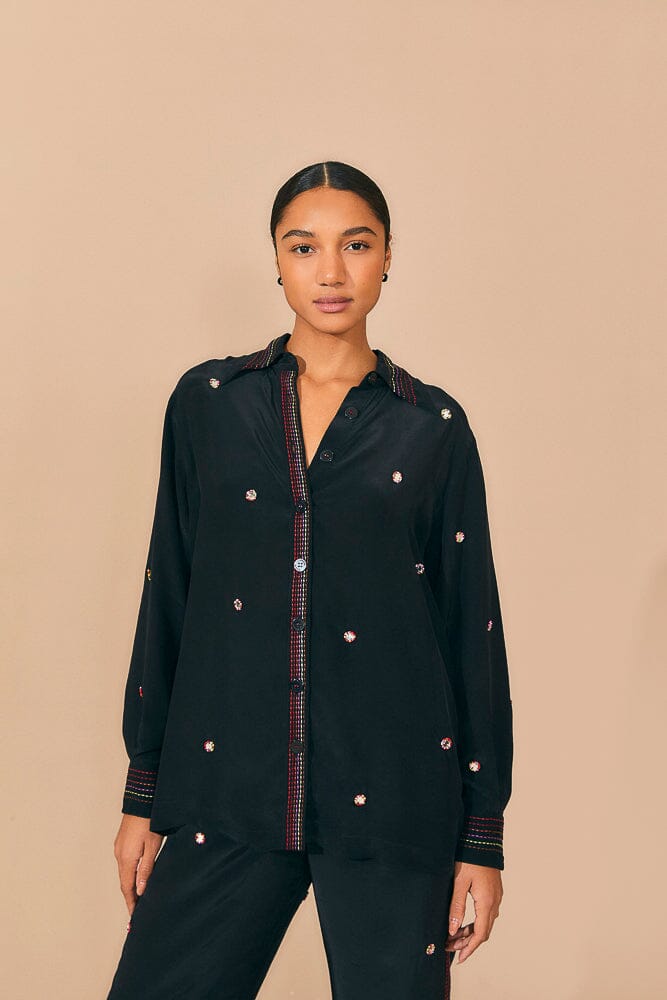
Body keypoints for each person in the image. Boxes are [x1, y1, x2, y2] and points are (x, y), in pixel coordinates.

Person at [106, 160, 514, 1000]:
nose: (330, 272)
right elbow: (169, 592)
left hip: (393, 795)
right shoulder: (209, 404)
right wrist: (143, 791)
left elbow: (469, 630)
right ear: (276, 260)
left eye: (354, 245)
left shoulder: (430, 427)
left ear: (387, 256)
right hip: (227, 787)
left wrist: (480, 837)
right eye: (304, 247)